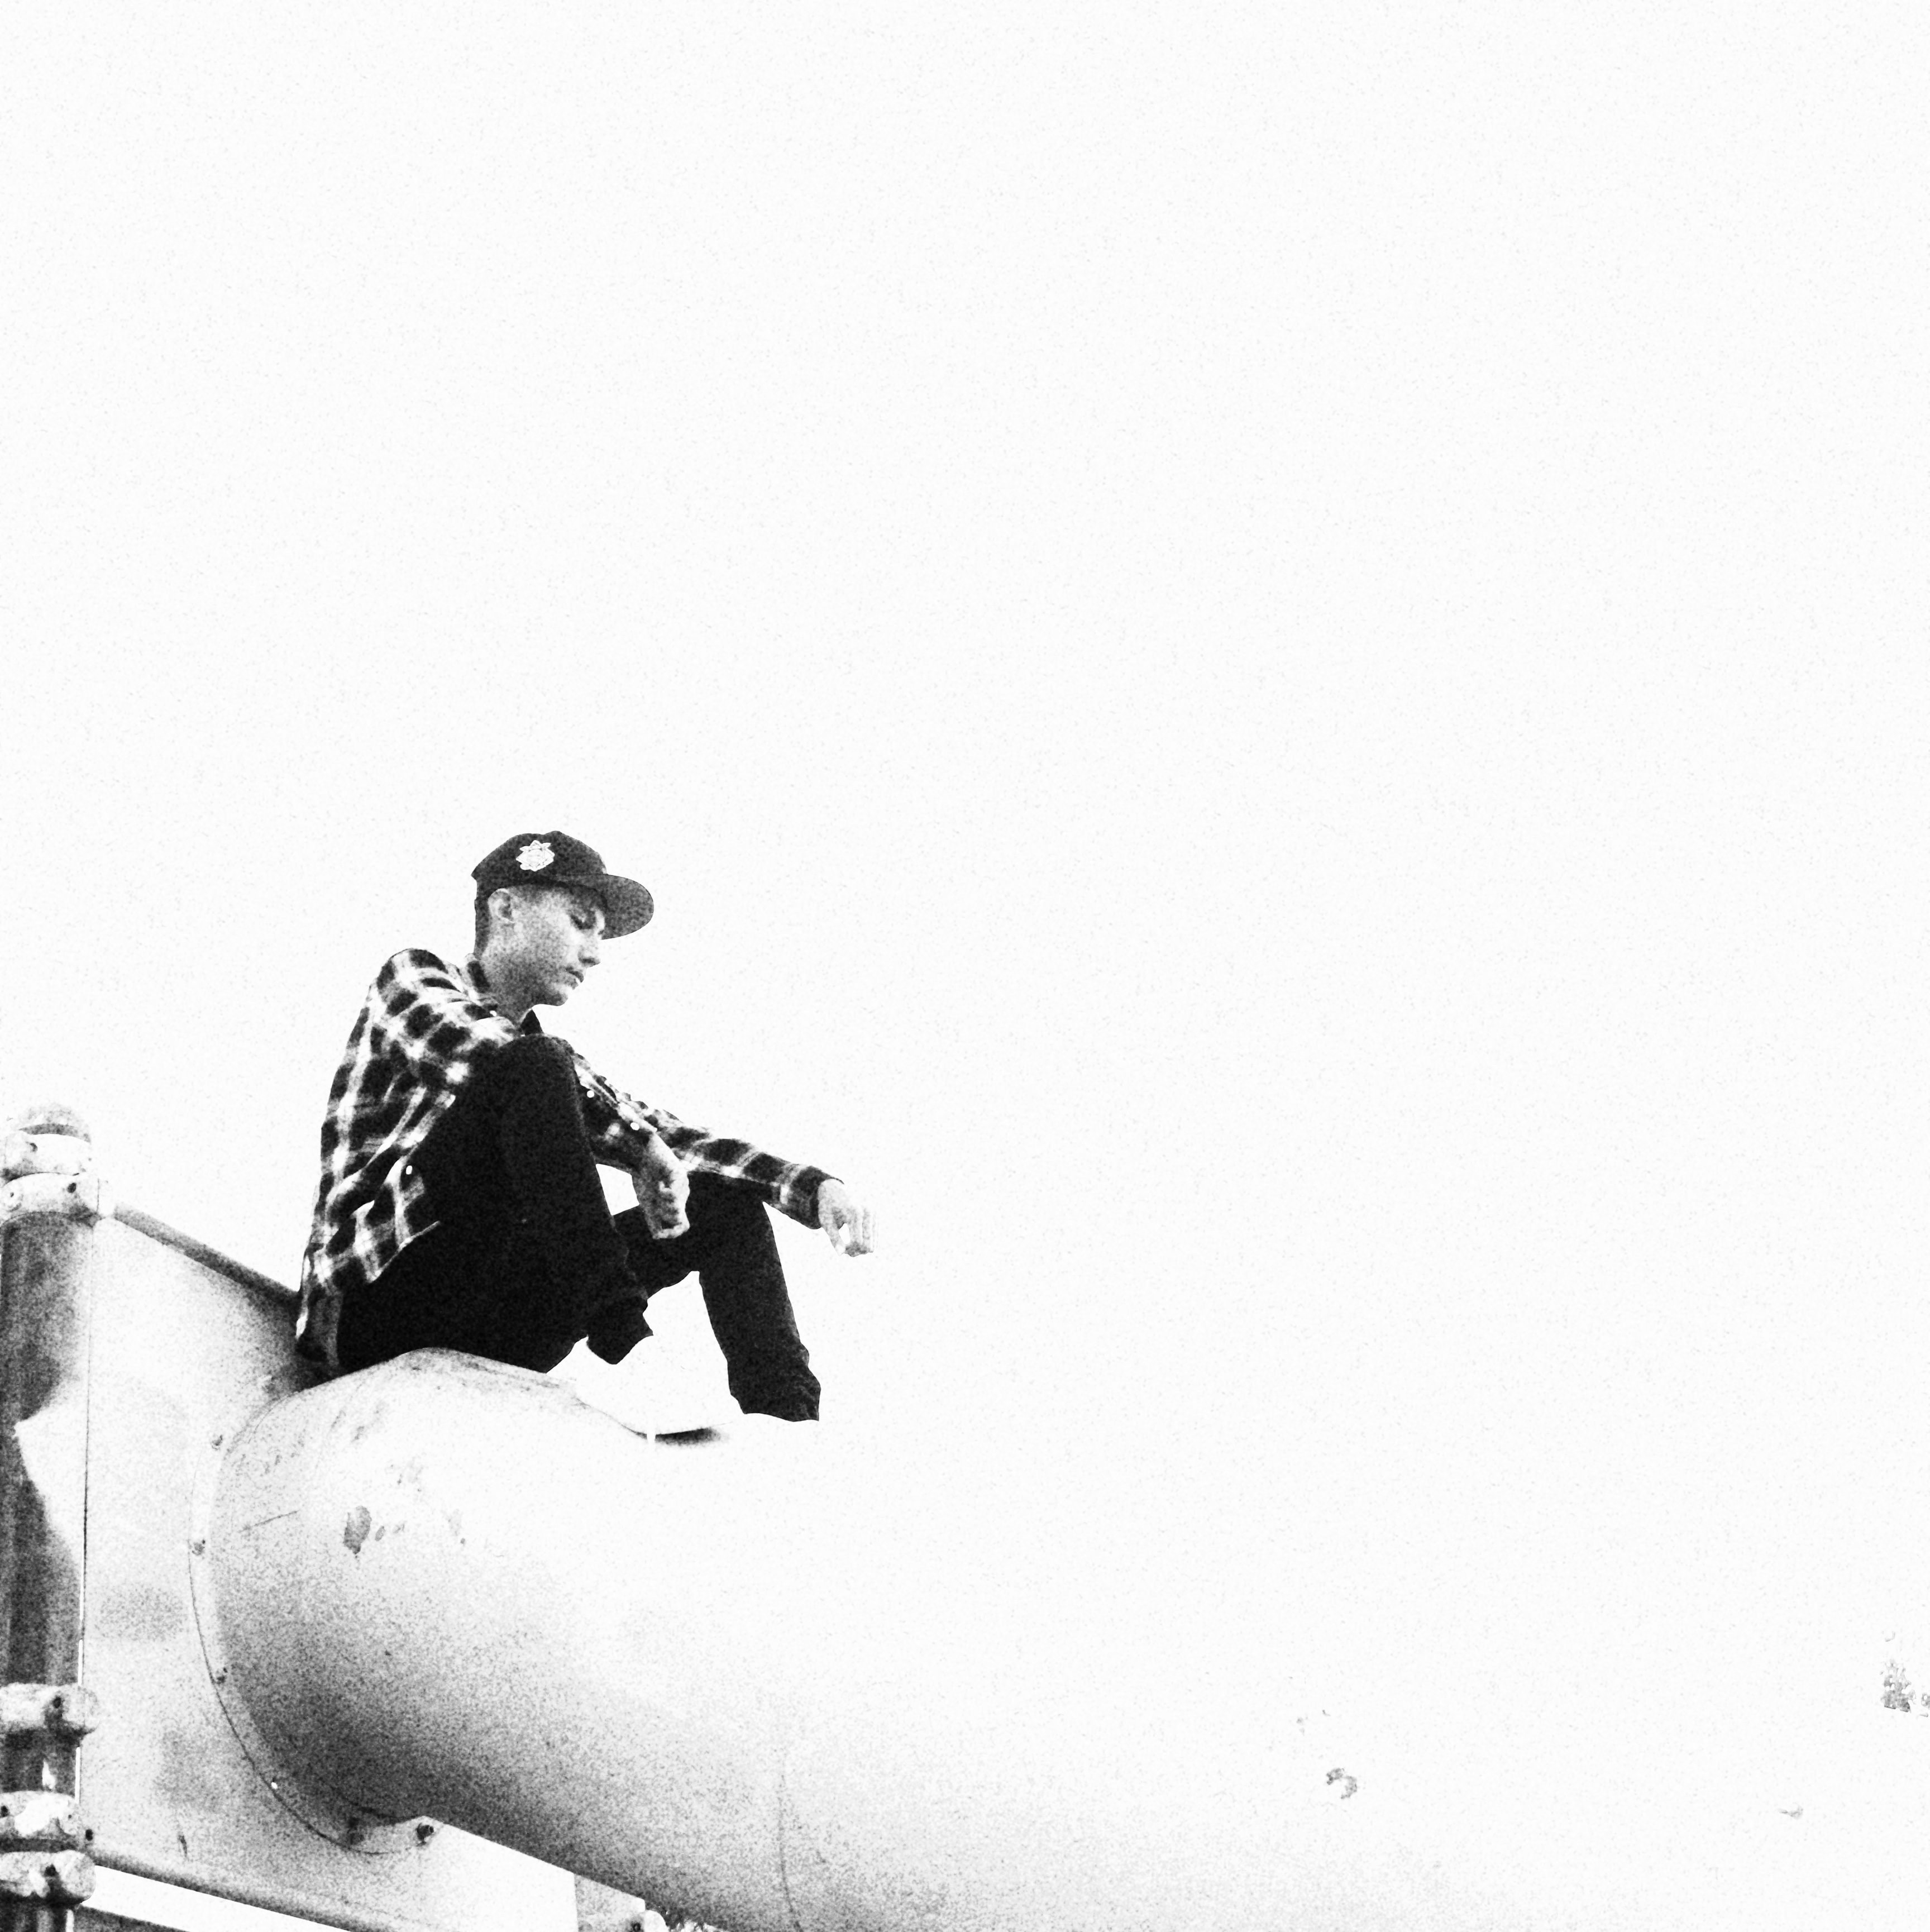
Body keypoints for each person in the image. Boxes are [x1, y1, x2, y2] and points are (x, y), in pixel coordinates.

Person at [295, 831, 874, 1420]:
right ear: (506, 909)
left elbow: (662, 1133)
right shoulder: (412, 978)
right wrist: (639, 1145)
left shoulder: (545, 1064)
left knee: (723, 1207)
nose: (595, 954)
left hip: (494, 1316)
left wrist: (812, 1186)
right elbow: (492, 1058)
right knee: (536, 1067)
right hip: (374, 1303)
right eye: (581, 924)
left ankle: (787, 1423)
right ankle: (626, 1343)